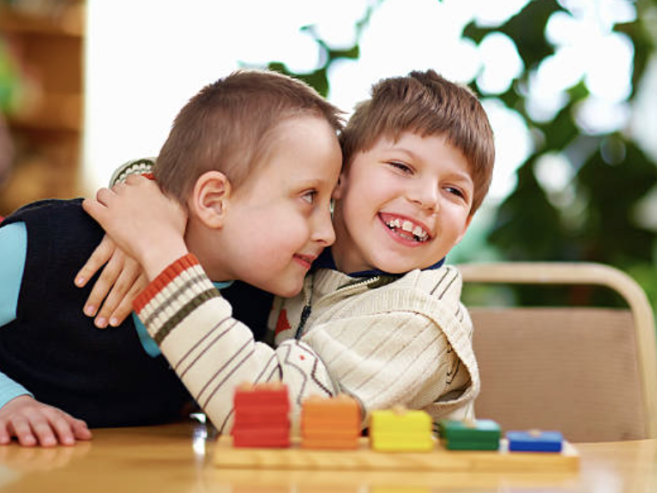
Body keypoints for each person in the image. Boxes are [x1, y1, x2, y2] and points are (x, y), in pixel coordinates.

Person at [83, 69, 495, 434]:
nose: (427, 199)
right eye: (402, 167)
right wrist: (148, 199)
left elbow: (266, 415)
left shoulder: (420, 323)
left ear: (465, 228)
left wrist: (158, 245)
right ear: (339, 175)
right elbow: (225, 180)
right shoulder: (299, 256)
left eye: (454, 191)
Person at [0, 69, 344, 447]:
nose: (327, 232)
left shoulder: (257, 303)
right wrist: (8, 403)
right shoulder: (45, 244)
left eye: (331, 204)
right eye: (309, 196)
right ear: (214, 201)